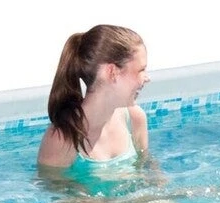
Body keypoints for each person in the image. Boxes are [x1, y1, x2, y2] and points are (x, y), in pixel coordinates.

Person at [37, 25, 150, 172]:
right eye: (141, 70)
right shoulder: (61, 139)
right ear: (112, 72)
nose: (147, 78)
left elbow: (148, 172)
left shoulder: (135, 119)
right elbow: (51, 185)